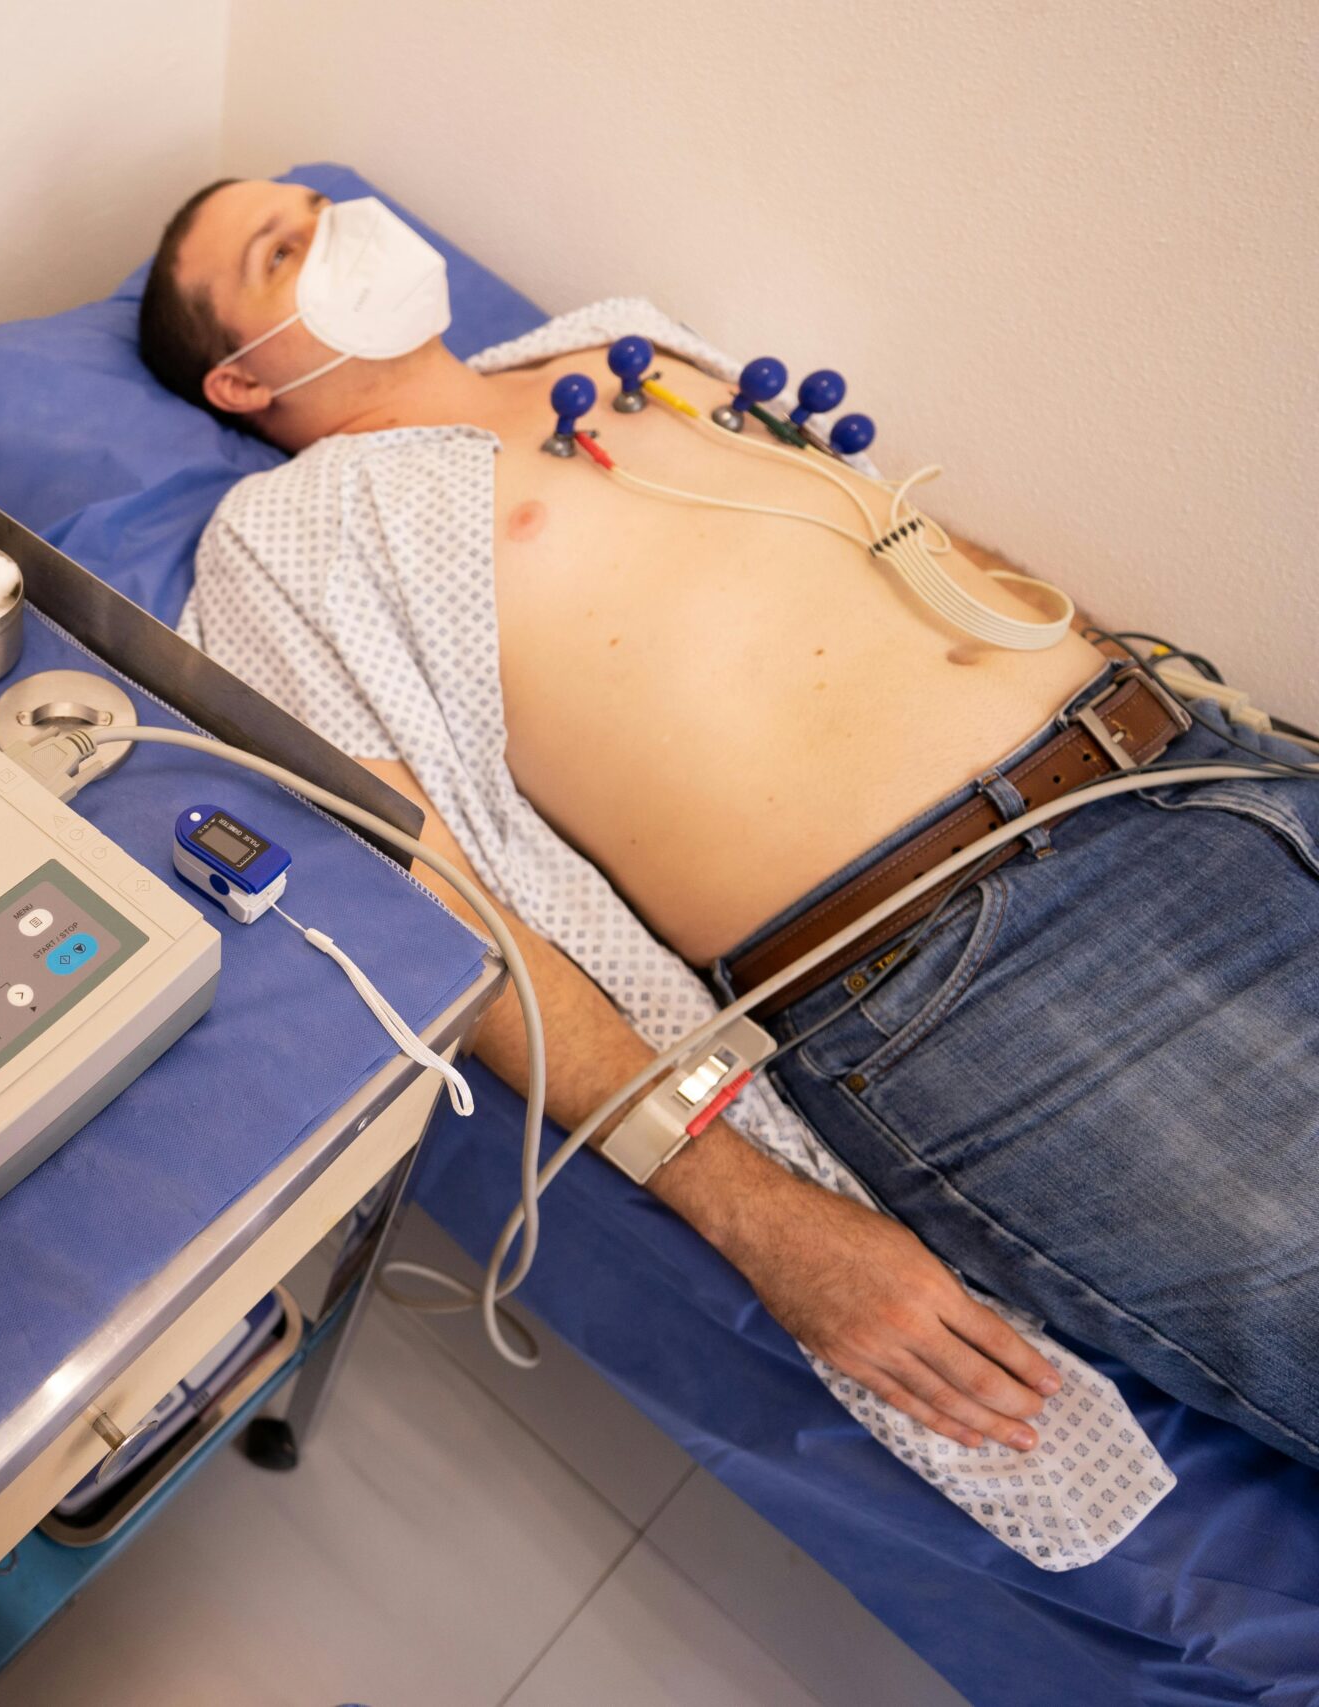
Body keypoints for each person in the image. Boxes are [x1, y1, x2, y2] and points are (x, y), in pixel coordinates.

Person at [139, 177, 1319, 1468]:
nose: (339, 229)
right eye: (284, 249)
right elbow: (426, 893)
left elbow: (888, 518)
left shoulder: (613, 342)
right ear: (238, 384)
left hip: (1202, 764)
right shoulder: (290, 535)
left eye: (319, 204)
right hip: (983, 963)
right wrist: (749, 1205)